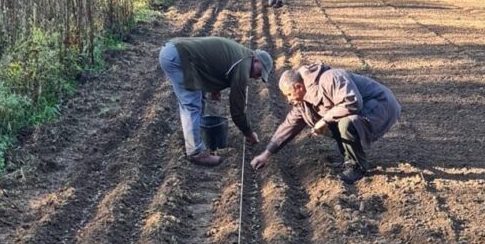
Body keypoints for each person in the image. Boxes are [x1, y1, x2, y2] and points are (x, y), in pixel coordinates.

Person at [250, 63, 401, 184]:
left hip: (381, 107)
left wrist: (324, 119)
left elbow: (353, 103)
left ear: (298, 86)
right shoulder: (303, 103)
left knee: (345, 122)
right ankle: (349, 159)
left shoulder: (330, 78)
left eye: (289, 94)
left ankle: (357, 166)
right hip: (366, 110)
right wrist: (266, 154)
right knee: (336, 120)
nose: (289, 100)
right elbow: (289, 126)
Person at [159, 37, 274, 167]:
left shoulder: (242, 55)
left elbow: (217, 64)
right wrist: (248, 133)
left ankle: (196, 137)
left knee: (197, 98)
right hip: (179, 57)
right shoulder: (244, 65)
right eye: (260, 72)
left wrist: (215, 88)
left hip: (175, 51)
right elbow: (237, 109)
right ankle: (195, 152)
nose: (257, 77)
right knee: (191, 105)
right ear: (256, 59)